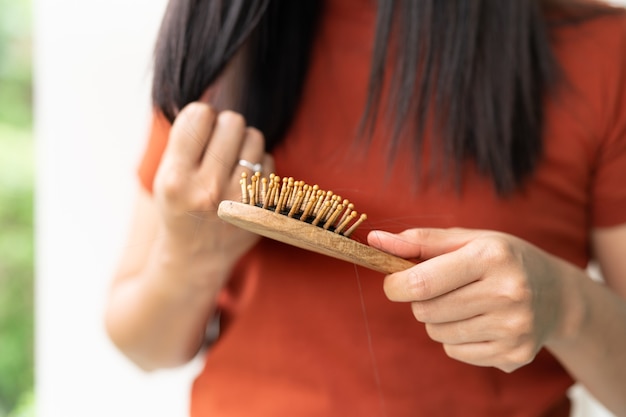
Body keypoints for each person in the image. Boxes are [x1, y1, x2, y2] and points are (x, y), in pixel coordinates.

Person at [104, 0, 626, 415]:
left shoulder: (602, 54)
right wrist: (188, 258)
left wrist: (565, 305)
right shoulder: (231, 36)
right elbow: (143, 348)